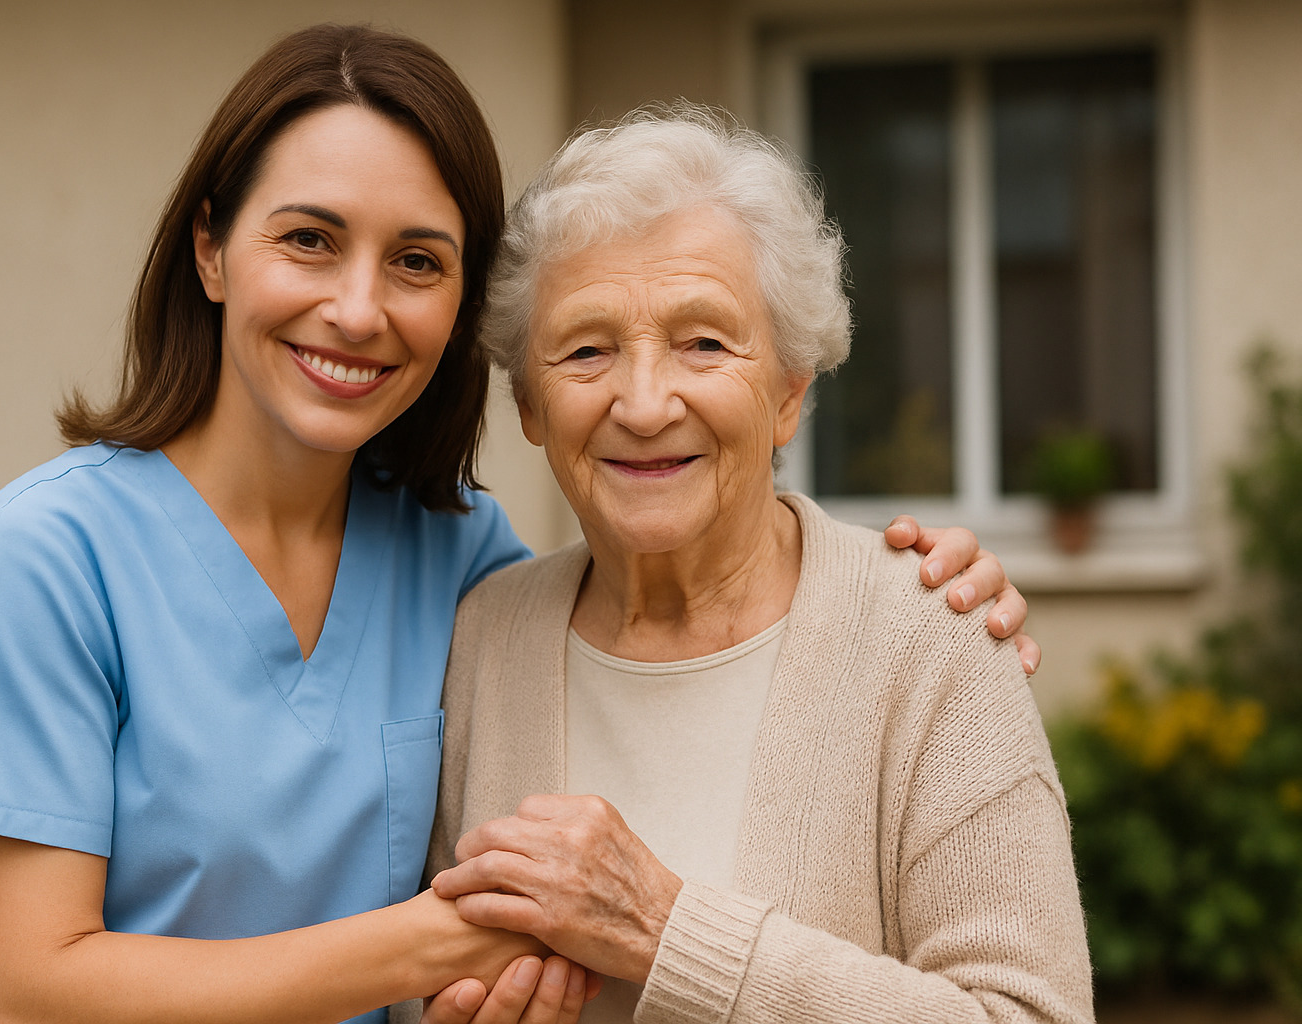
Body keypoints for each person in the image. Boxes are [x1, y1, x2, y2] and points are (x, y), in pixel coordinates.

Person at [0, 26, 1037, 1024]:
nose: (357, 306)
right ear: (209, 249)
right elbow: (26, 993)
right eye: (307, 239)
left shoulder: (465, 565)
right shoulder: (38, 563)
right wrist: (443, 943)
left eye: (417, 262)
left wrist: (925, 595)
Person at [424, 106, 1093, 1024]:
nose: (647, 402)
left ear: (787, 393)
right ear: (532, 406)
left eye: (704, 342)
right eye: (586, 350)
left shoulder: (932, 639)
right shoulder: (478, 643)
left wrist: (665, 933)